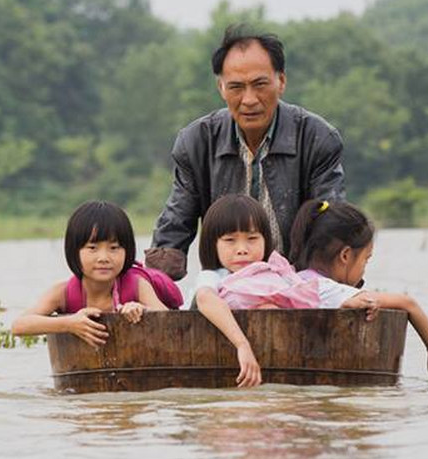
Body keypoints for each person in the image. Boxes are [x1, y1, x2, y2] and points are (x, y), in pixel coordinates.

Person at [145, 24, 346, 281]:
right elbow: (174, 227)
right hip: (224, 287)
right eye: (236, 87)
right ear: (221, 88)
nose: (249, 99)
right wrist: (153, 291)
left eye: (260, 84)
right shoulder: (196, 142)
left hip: (297, 285)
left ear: (281, 81)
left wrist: (329, 292)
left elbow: (332, 228)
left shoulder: (317, 138)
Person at [289, 198, 428, 384]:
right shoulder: (328, 290)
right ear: (345, 256)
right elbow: (408, 304)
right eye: (366, 259)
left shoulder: (294, 278)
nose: (364, 268)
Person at [12, 201, 181, 348]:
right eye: (92, 248)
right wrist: (68, 323)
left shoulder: (136, 285)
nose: (104, 258)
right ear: (74, 251)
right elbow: (19, 326)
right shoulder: (63, 292)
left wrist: (143, 310)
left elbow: (169, 321)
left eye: (114, 248)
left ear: (127, 251)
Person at [187, 195, 277, 387]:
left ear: (266, 240)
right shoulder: (213, 277)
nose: (242, 249)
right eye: (230, 240)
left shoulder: (275, 276)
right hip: (213, 360)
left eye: (252, 238)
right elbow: (205, 298)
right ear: (213, 245)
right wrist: (242, 345)